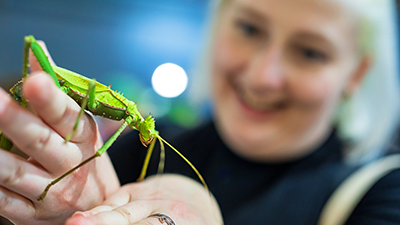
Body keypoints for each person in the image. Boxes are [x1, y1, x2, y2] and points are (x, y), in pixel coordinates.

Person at [0, 0, 399, 224]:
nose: (263, 77)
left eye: (310, 52)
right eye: (249, 28)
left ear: (357, 72)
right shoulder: (128, 154)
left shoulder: (384, 195)